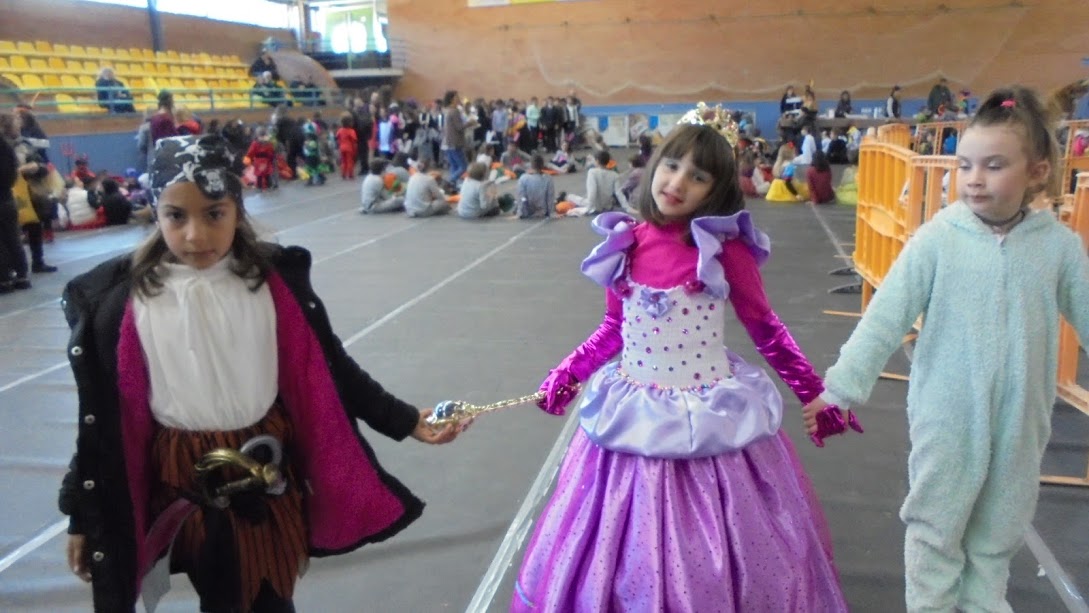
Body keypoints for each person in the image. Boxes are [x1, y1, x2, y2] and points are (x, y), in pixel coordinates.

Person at [58, 134, 460, 613]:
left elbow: (332, 369)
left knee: (266, 592)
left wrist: (405, 419)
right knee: (221, 591)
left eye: (214, 214)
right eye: (176, 216)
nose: (195, 235)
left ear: (237, 209)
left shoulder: (271, 286)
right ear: (156, 212)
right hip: (181, 478)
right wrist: (81, 517)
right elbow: (100, 420)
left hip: (261, 468)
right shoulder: (122, 304)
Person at [513, 123, 849, 612]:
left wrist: (813, 393)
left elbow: (765, 327)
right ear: (655, 166)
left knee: (718, 546)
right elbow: (613, 328)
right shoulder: (625, 243)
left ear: (716, 190)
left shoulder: (723, 250)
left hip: (710, 422)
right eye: (671, 166)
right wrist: (568, 373)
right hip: (633, 420)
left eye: (698, 177)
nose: (677, 183)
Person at [803, 86, 1089, 612]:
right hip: (948, 413)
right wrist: (840, 389)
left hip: (1022, 419)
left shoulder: (1059, 248)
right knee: (936, 519)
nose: (974, 178)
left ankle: (984, 603)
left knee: (1001, 524)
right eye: (965, 165)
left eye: (994, 165)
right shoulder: (940, 239)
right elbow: (885, 317)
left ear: (1038, 172)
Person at [515, 154, 554, 219]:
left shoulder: (523, 178)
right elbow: (550, 198)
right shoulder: (548, 179)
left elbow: (521, 196)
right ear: (542, 165)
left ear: (531, 165)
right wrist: (551, 212)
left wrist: (520, 213)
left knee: (516, 202)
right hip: (542, 211)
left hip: (526, 212)